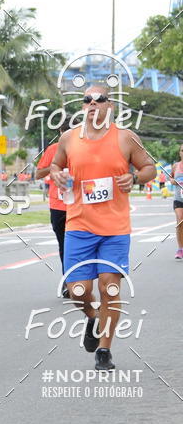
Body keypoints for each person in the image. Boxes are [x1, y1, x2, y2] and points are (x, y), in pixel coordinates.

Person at [50, 85, 156, 371]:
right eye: (88, 100)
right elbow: (55, 165)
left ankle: (104, 351)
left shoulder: (125, 138)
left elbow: (149, 168)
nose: (93, 104)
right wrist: (57, 175)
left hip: (115, 228)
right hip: (79, 225)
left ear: (110, 106)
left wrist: (135, 178)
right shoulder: (69, 138)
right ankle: (93, 317)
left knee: (109, 287)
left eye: (100, 99)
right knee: (77, 291)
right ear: (83, 106)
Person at [35, 123, 68, 296]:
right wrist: (56, 167)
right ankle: (69, 281)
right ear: (60, 133)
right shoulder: (53, 149)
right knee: (64, 245)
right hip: (59, 205)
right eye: (65, 133)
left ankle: (82, 279)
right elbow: (38, 174)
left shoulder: (87, 148)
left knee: (84, 245)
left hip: (82, 205)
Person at [172, 143, 183, 259]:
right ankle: (180, 249)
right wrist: (173, 181)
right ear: (179, 153)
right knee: (180, 221)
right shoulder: (175, 166)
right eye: (182, 150)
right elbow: (171, 178)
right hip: (178, 199)